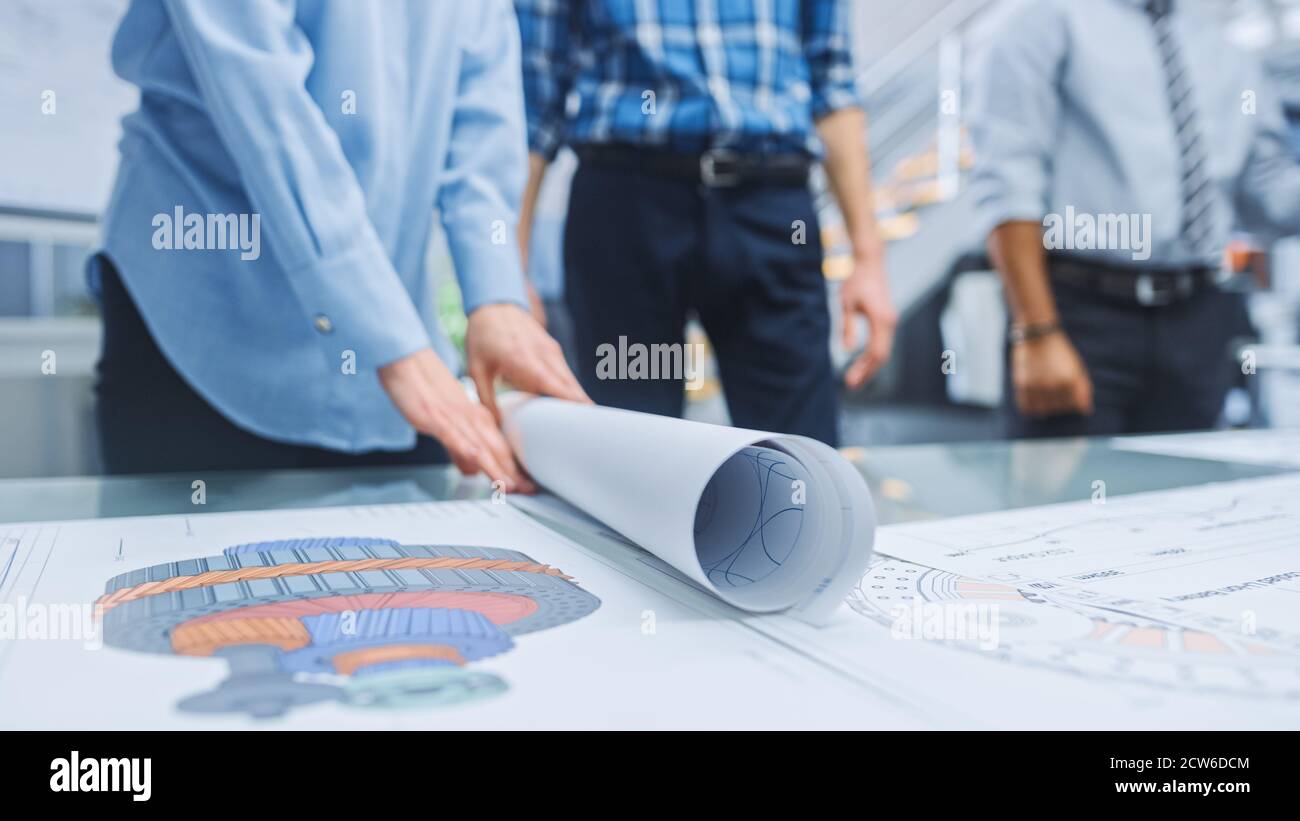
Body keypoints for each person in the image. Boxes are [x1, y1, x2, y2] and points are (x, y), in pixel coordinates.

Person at [91, 0, 587, 485]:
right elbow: (262, 97)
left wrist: (496, 297)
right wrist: (389, 342)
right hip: (210, 315)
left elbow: (482, 110)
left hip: (394, 355)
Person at [513, 0, 896, 447]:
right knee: (630, 450)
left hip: (771, 207)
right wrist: (510, 276)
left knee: (802, 455)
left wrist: (868, 258)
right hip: (626, 210)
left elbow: (832, 82)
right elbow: (533, 104)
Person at [970, 0, 1300, 438]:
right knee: (1068, 496)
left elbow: (1268, 198)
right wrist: (1035, 330)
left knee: (1186, 497)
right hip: (1080, 316)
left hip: (1198, 316)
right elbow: (1010, 183)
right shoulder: (1041, 21)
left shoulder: (1225, 47)